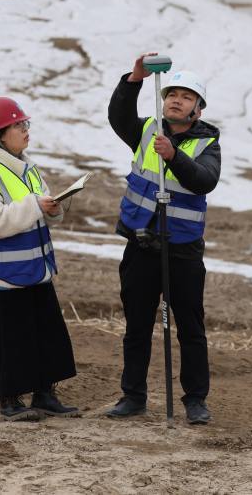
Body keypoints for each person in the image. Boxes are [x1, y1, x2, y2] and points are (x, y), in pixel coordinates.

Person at [105, 53, 221, 425]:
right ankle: (133, 396)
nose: (176, 100)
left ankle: (196, 400)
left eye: (186, 97)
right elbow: (118, 117)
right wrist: (134, 80)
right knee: (137, 326)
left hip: (182, 251)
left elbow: (204, 180)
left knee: (191, 329)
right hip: (141, 245)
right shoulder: (146, 130)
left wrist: (173, 156)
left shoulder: (207, 144)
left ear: (198, 109)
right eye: (172, 94)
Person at [0, 96, 79, 421]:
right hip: (4, 275)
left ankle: (45, 394)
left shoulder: (28, 169)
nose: (25, 130)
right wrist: (34, 206)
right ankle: (10, 400)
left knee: (45, 334)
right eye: (18, 126)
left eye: (25, 124)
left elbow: (38, 209)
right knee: (12, 340)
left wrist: (52, 208)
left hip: (35, 271)